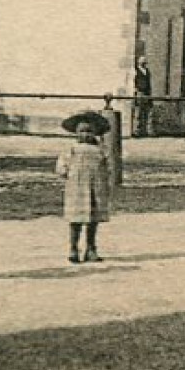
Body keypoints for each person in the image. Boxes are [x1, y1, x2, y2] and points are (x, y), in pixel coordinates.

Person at [57, 111, 113, 263]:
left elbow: (108, 166)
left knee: (93, 220)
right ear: (76, 132)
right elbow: (62, 165)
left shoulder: (101, 148)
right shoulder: (72, 148)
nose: (86, 134)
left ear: (95, 132)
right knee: (76, 220)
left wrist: (107, 181)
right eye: (82, 131)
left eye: (89, 131)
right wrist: (65, 172)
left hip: (96, 187)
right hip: (77, 188)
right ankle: (73, 248)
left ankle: (91, 248)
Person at [131, 56, 153, 138]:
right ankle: (136, 131)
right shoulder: (135, 71)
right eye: (142, 62)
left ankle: (148, 131)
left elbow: (149, 82)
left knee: (148, 112)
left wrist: (150, 92)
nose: (143, 63)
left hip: (147, 93)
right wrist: (135, 91)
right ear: (138, 62)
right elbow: (133, 81)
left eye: (144, 62)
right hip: (139, 92)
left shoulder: (147, 71)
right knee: (138, 112)